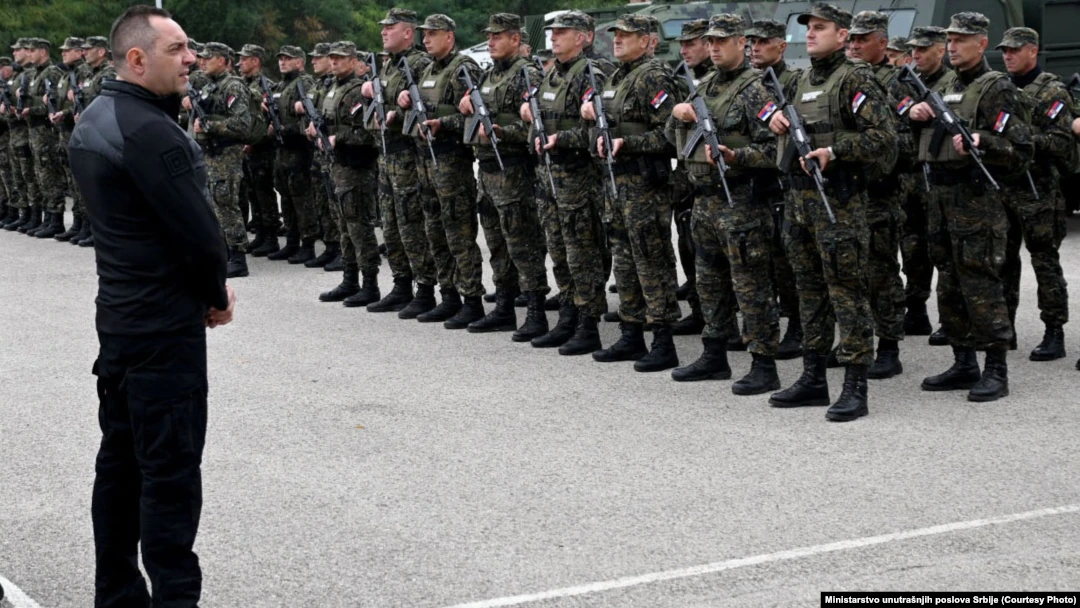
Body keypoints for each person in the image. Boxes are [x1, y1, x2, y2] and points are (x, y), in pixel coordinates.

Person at [68, 6, 236, 605]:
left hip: (120, 323)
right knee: (169, 476)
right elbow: (199, 235)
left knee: (120, 468)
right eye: (177, 49)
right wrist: (216, 294)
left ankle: (116, 594)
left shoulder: (97, 116)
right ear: (137, 59)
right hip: (163, 333)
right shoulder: (150, 132)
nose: (191, 59)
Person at [767, 4, 896, 421]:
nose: (810, 34)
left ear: (843, 36)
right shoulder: (799, 79)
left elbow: (884, 139)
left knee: (847, 294)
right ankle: (813, 378)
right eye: (808, 28)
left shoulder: (856, 78)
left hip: (838, 204)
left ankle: (855, 386)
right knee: (809, 293)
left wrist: (835, 150)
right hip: (799, 204)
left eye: (820, 28)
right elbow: (777, 121)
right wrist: (777, 122)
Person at [908, 12, 1032, 402]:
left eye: (961, 40)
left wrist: (984, 141)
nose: (952, 47)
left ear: (981, 43)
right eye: (949, 40)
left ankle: (996, 368)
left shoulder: (997, 88)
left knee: (982, 285)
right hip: (940, 198)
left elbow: (1022, 151)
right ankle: (963, 362)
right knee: (948, 284)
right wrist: (914, 115)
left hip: (977, 201)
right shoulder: (943, 86)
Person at [667, 14, 780, 393]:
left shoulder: (756, 89)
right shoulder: (703, 86)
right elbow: (672, 139)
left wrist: (737, 156)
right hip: (705, 202)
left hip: (742, 202)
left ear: (741, 42)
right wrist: (678, 114)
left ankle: (764, 364)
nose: (713, 48)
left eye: (721, 41)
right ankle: (714, 355)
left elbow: (777, 149)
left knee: (751, 287)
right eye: (710, 42)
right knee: (709, 283)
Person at [584, 14, 682, 373]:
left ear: (647, 40)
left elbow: (671, 134)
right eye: (617, 34)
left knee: (651, 260)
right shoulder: (615, 78)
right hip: (616, 184)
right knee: (624, 263)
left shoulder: (653, 76)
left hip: (644, 186)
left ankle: (663, 340)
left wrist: (629, 144)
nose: (618, 40)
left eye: (626, 35)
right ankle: (631, 332)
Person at [520, 10, 607, 352]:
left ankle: (588, 323)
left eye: (562, 32)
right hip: (549, 178)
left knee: (582, 254)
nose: (553, 37)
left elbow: (598, 129)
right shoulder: (552, 74)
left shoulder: (590, 74)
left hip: (577, 179)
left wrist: (562, 139)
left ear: (582, 37)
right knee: (559, 252)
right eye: (552, 32)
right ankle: (568, 316)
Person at [399, 14, 489, 324]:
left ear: (449, 36)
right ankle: (448, 294)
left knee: (459, 234)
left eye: (433, 34)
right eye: (424, 34)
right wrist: (404, 100)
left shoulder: (464, 68)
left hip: (451, 163)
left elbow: (477, 113)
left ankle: (472, 299)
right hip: (426, 163)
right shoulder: (427, 69)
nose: (426, 39)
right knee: (435, 233)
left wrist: (444, 123)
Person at [997, 27, 1072, 362]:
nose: (1008, 56)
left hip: (1038, 190)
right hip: (1003, 188)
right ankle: (1004, 328)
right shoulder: (1000, 87)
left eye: (1015, 50)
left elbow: (1061, 141)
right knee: (1002, 261)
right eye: (1005, 50)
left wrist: (1022, 138)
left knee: (1044, 262)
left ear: (1033, 51)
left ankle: (1054, 331)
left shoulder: (1052, 90)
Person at [361, 8, 434, 314]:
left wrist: (398, 112)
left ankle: (425, 289)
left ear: (408, 32)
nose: (383, 31)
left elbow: (426, 106)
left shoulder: (419, 63)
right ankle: (401, 284)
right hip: (387, 156)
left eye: (390, 27)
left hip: (408, 156)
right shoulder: (388, 65)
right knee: (391, 226)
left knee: (411, 224)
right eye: (384, 27)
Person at [746, 19, 803, 360]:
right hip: (754, 183)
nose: (755, 47)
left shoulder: (793, 81)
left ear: (781, 46)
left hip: (783, 182)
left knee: (787, 263)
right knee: (759, 262)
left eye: (763, 42)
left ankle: (797, 327)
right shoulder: (748, 82)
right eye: (751, 41)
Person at [311, 42, 384, 308]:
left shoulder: (358, 90)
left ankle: (370, 284)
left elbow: (367, 133)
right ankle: (350, 279)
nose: (334, 62)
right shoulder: (333, 88)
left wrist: (337, 138)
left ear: (353, 61)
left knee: (359, 227)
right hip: (337, 166)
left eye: (340, 58)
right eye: (332, 58)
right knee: (343, 226)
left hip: (356, 168)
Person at [903, 26, 950, 343]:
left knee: (943, 248)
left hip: (940, 178)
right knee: (912, 247)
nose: (916, 54)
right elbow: (892, 108)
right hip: (911, 177)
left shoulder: (954, 82)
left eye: (923, 49)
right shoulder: (907, 81)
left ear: (940, 50)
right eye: (914, 49)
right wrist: (908, 109)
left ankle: (950, 318)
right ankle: (916, 308)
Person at [192, 41, 254, 278]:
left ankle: (238, 258)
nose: (202, 62)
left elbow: (242, 124)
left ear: (222, 60)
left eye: (208, 58)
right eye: (201, 58)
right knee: (216, 206)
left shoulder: (233, 86)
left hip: (226, 155)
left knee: (227, 205)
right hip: (212, 155)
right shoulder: (212, 86)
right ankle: (225, 253)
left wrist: (210, 125)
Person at [51, 37, 94, 242]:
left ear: (79, 52)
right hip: (65, 133)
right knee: (72, 181)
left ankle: (87, 225)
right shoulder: (67, 74)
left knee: (82, 182)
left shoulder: (85, 72)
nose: (63, 53)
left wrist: (67, 112)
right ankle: (78, 223)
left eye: (67, 50)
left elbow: (85, 101)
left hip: (79, 132)